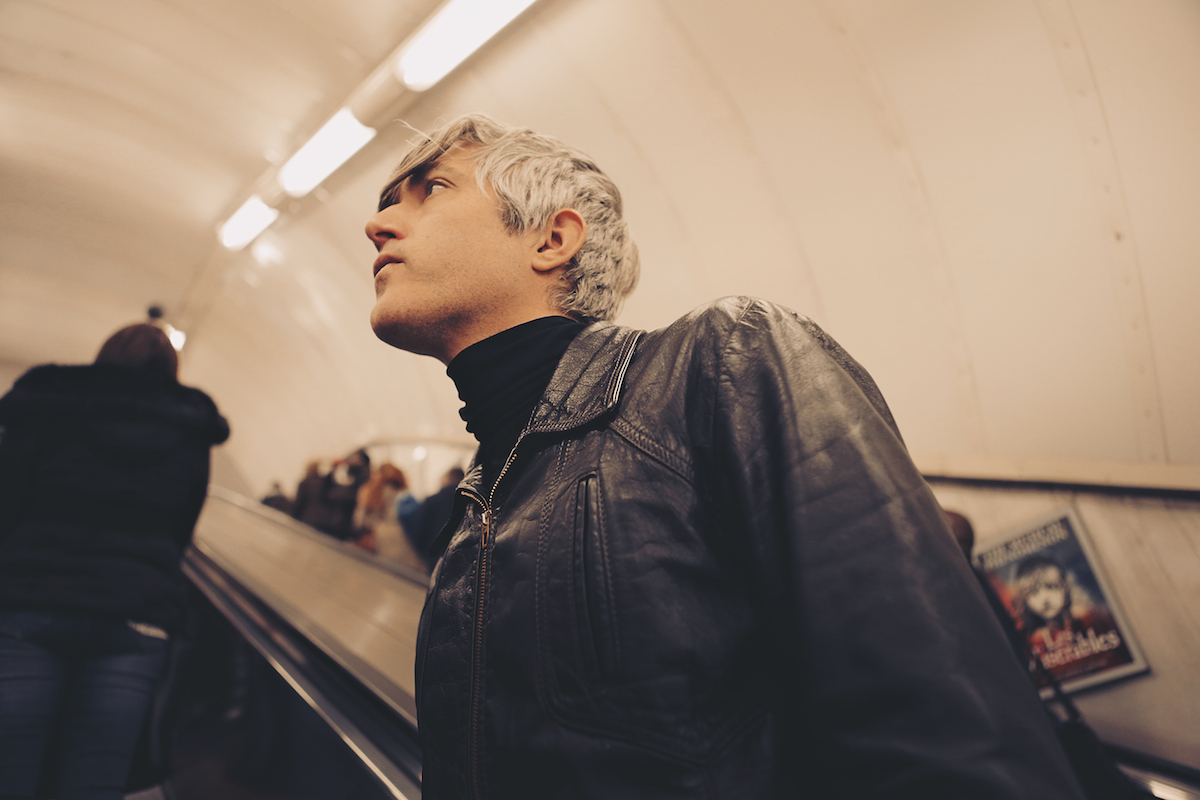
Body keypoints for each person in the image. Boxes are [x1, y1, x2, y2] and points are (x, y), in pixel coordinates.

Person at [365, 113, 1086, 798]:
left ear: (553, 239)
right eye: (386, 202)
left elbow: (945, 723)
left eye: (431, 190)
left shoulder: (722, 366)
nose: (376, 224)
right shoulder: (481, 503)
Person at [0, 322, 230, 800]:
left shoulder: (48, 404)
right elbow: (180, 529)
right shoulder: (189, 427)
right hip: (137, 617)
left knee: (12, 773)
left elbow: (8, 503)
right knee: (94, 782)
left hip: (33, 602)